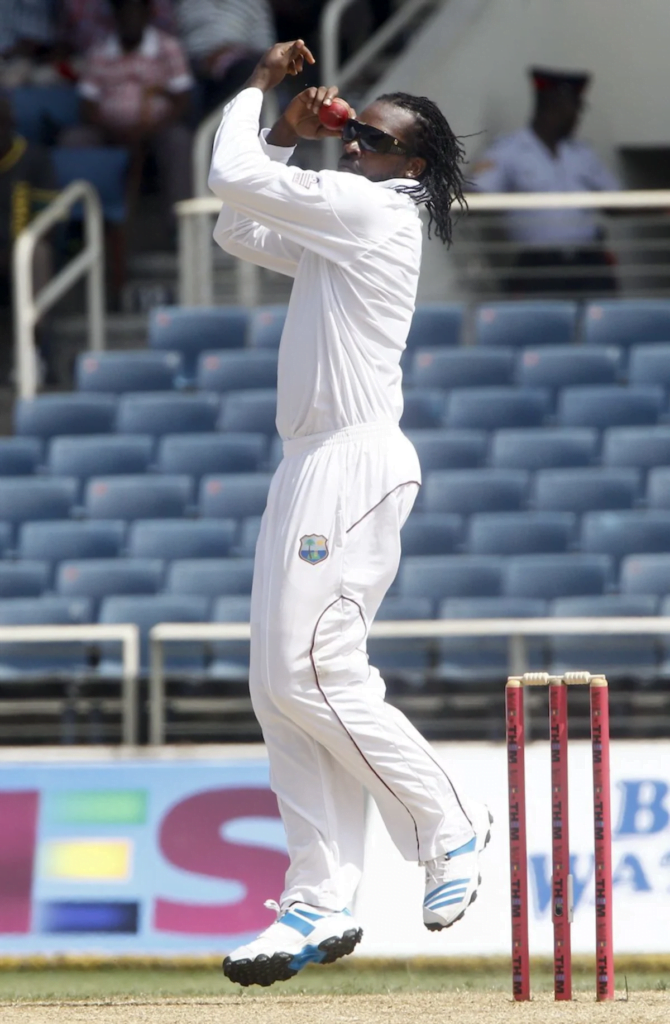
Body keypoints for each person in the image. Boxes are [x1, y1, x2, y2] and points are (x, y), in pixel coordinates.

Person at [208, 39, 492, 989]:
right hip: (311, 462)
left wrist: (260, 93)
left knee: (315, 669)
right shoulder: (353, 217)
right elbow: (239, 231)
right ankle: (319, 899)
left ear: (411, 164)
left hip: (354, 457)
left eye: (374, 135)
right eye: (356, 128)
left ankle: (447, 821)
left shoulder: (376, 207)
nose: (356, 140)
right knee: (276, 685)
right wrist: (292, 139)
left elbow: (226, 173)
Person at [472, 68, 621, 295]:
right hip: (540, 267)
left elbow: (617, 203)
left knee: (603, 328)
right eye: (575, 107)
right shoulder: (509, 151)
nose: (577, 116)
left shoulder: (581, 153)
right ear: (555, 104)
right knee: (540, 328)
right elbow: (475, 197)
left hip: (589, 264)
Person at [63, 0, 193, 227]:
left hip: (156, 128)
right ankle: (80, 228)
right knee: (75, 140)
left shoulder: (167, 46)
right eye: (125, 13)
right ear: (115, 16)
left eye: (137, 12)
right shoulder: (101, 50)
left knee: (179, 141)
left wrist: (150, 128)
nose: (131, 19)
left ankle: (181, 227)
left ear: (147, 15)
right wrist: (114, 130)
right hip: (109, 131)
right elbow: (87, 103)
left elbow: (182, 99)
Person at [0, 89, 56, 382]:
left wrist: (17, 247)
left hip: (21, 248)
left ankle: (32, 353)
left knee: (36, 255)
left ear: (9, 122)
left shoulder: (33, 157)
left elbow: (50, 219)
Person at [175, 0, 276, 118]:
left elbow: (265, 48)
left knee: (250, 72)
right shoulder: (187, 3)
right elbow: (172, 40)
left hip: (238, 62)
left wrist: (229, 53)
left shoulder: (256, 3)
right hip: (190, 66)